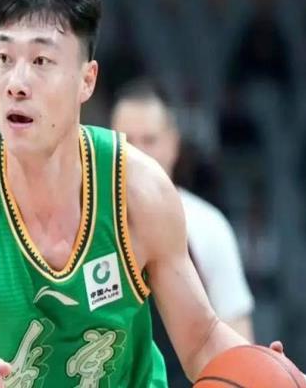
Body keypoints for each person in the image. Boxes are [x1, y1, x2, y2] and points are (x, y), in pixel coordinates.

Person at [0, 0, 287, 387]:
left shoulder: (138, 189)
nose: (16, 83)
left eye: (41, 61)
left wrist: (264, 373)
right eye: (4, 58)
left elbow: (200, 342)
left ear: (87, 80)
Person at [111, 79, 255, 386]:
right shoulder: (77, 221)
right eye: (127, 141)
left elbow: (238, 334)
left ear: (173, 144)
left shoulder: (208, 226)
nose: (138, 153)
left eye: (149, 140)